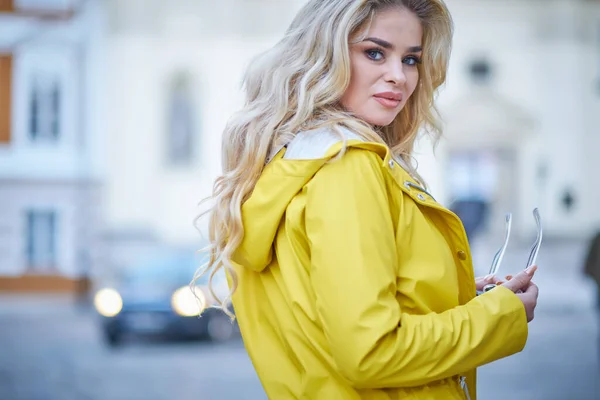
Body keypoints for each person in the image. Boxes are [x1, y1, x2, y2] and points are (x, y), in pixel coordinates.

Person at [197, 1, 539, 399]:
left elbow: (330, 318)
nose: (399, 76)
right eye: (374, 52)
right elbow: (372, 351)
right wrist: (501, 315)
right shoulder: (349, 169)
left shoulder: (289, 171)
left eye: (411, 59)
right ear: (325, 55)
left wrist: (453, 296)